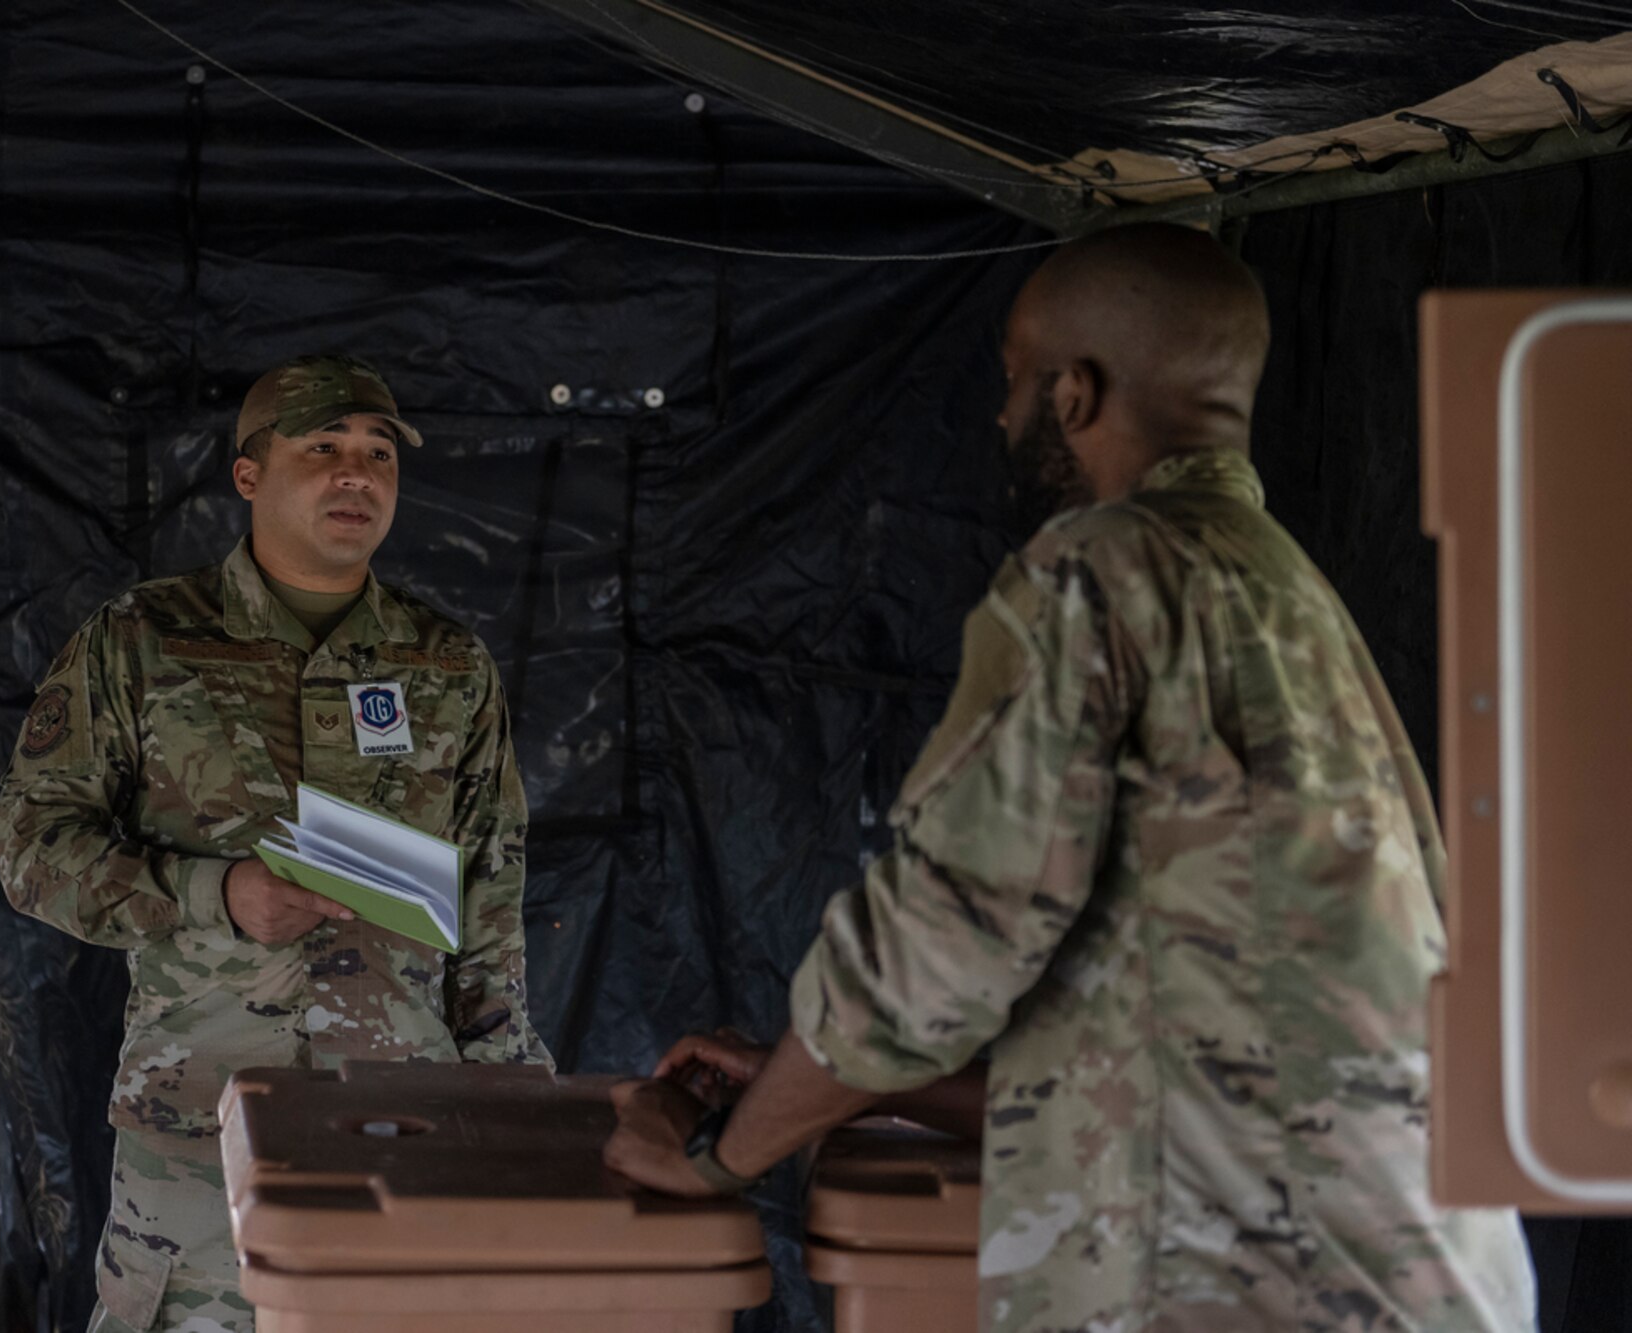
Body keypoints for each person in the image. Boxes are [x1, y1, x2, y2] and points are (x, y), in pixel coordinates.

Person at [604, 224, 1537, 1330]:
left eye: (1010, 382)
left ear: (1074, 394)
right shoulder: (1282, 596)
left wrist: (723, 1153)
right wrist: (813, 1087)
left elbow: (936, 942)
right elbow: (1160, 1051)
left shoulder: (1102, 571)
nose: (999, 417)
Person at [0, 354, 551, 1333]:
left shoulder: (446, 663)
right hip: (200, 1129)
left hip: (399, 1124)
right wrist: (216, 893)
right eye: (323, 447)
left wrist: (509, 1107)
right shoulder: (142, 640)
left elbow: (489, 889)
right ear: (247, 475)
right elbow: (31, 845)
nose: (357, 474)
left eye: (378, 453)